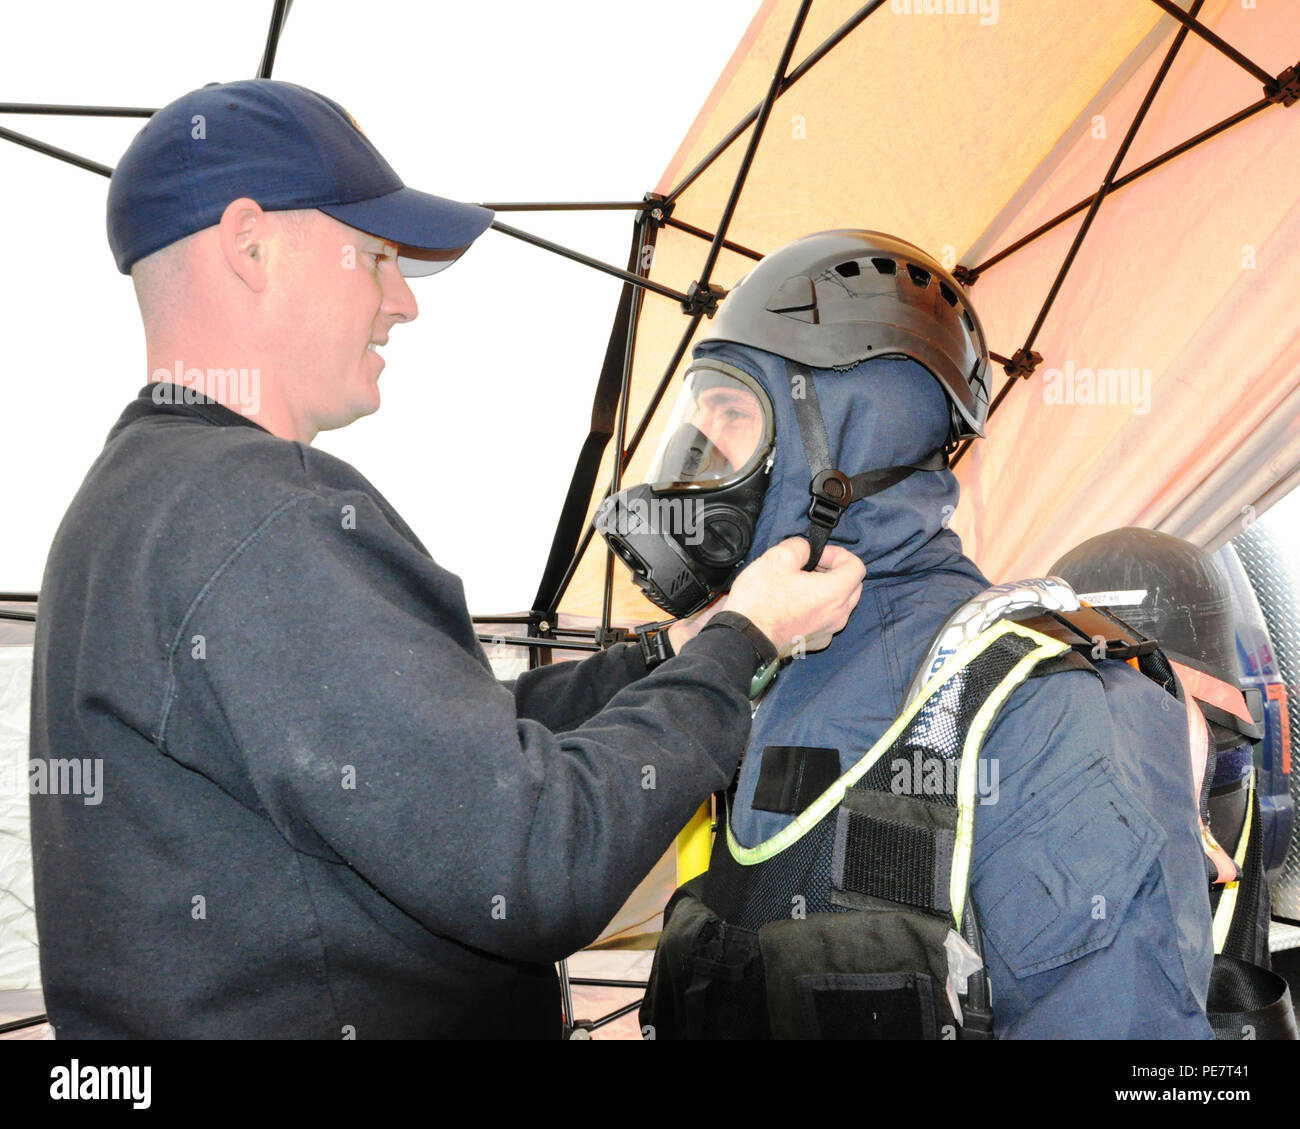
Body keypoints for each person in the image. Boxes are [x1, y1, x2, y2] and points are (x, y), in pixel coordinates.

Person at [26, 79, 866, 1039]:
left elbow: (440, 756)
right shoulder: (263, 515)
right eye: (376, 255)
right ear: (251, 245)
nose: (401, 303)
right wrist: (745, 645)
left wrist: (672, 651)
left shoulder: (129, 508)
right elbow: (534, 858)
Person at [607, 230, 1215, 1039]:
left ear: (852, 441)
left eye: (732, 417)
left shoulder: (1045, 710)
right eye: (699, 418)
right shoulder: (755, 673)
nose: (695, 464)